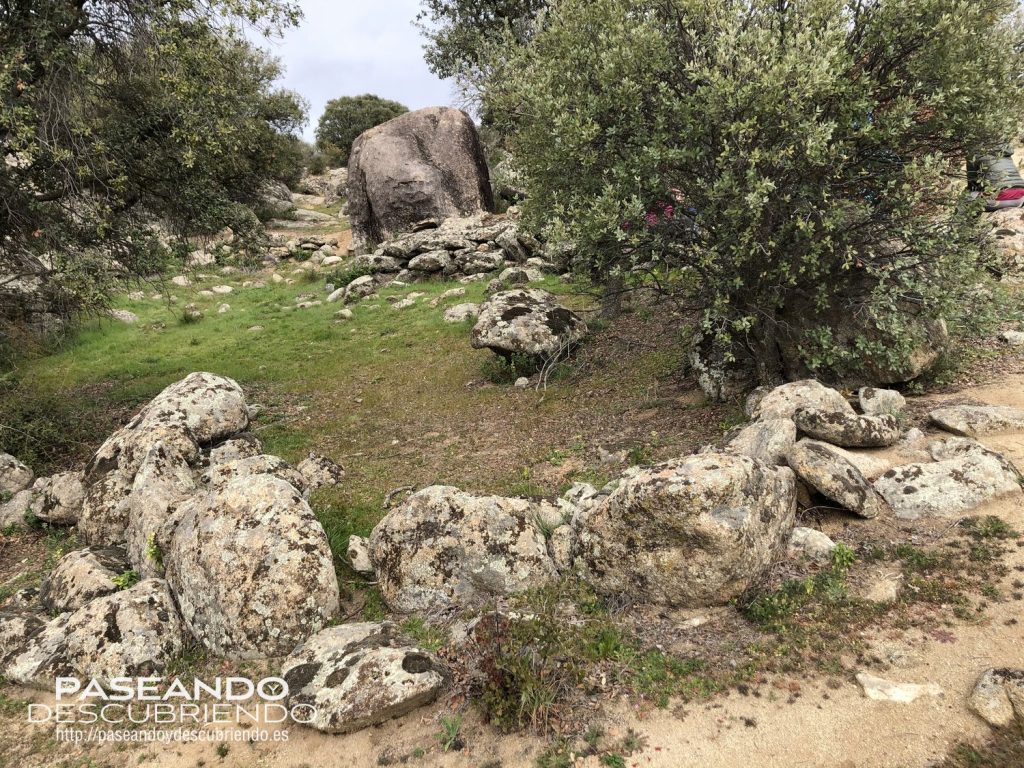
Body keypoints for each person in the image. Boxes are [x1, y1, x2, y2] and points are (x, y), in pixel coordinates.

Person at [967, 145, 1024, 211]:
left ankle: (1012, 203)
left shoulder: (973, 151)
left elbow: (972, 184)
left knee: (968, 198)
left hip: (1001, 196)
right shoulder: (1004, 148)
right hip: (1021, 190)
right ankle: (1017, 201)